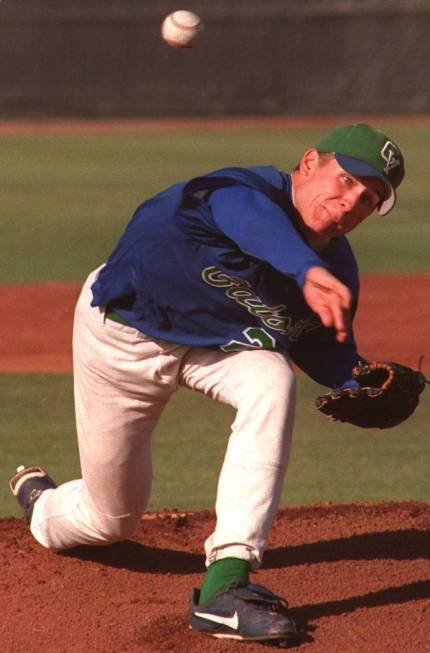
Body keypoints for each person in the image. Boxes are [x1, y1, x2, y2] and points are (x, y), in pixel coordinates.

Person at [10, 123, 405, 643]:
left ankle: (225, 587)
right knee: (110, 521)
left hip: (212, 350)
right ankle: (42, 504)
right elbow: (247, 220)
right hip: (122, 338)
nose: (352, 200)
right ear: (309, 163)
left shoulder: (335, 269)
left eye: (370, 197)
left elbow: (315, 343)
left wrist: (357, 380)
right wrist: (304, 269)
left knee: (272, 380)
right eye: (348, 179)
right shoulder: (240, 194)